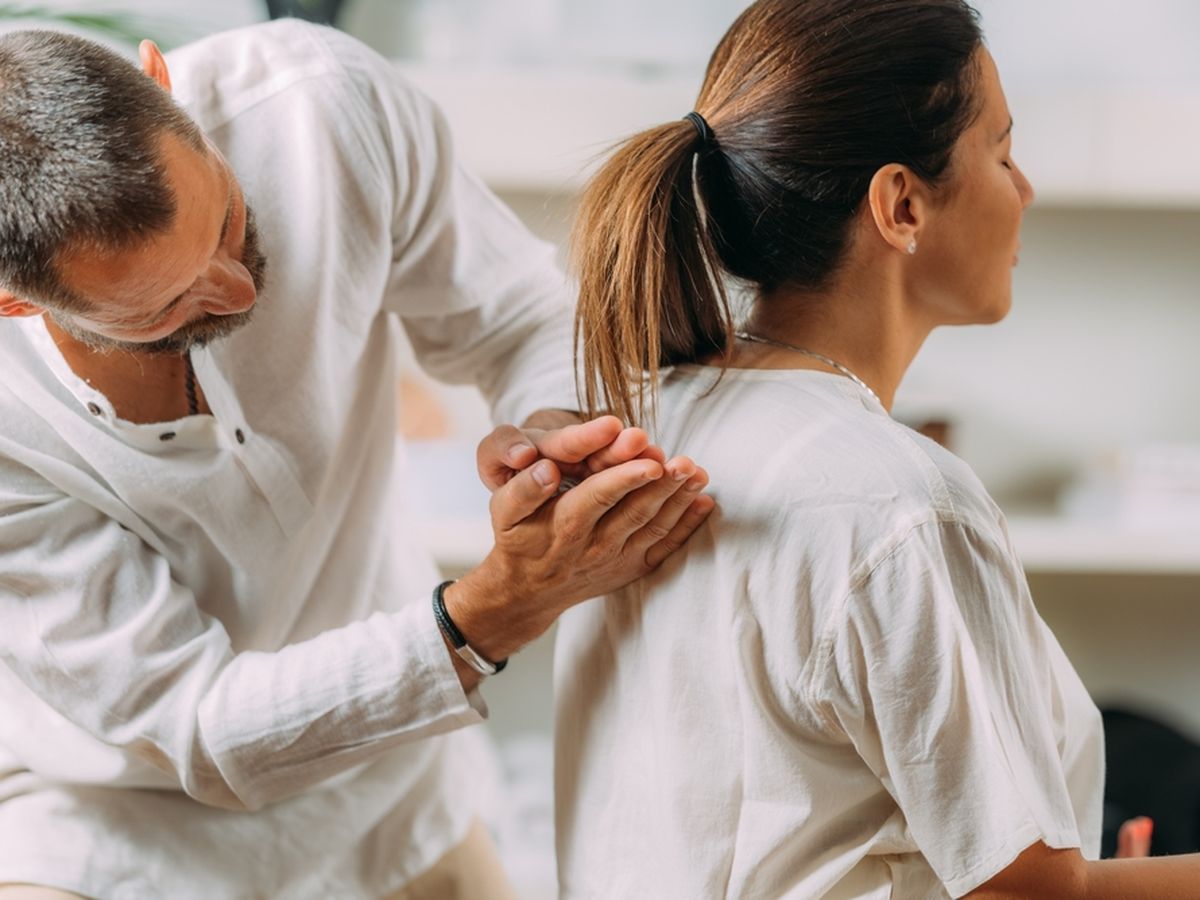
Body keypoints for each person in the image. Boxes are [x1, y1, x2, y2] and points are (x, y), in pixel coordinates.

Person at [0, 20, 714, 900]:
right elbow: (199, 725)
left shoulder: (320, 107)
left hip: (395, 792)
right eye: (165, 306)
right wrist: (491, 614)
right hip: (114, 831)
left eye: (226, 220)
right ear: (14, 304)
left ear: (161, 80)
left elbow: (516, 315)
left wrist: (552, 427)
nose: (239, 289)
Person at [555, 0, 1199, 896]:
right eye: (1002, 153)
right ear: (901, 204)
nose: (1025, 189)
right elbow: (1027, 893)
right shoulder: (901, 502)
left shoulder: (652, 425)